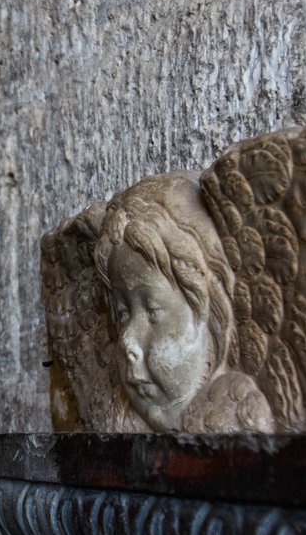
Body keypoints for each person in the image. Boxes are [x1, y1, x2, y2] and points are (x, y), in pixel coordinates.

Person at [90, 173, 274, 433]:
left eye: (153, 311)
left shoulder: (238, 411)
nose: (127, 342)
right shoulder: (120, 418)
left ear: (210, 312)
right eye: (122, 314)